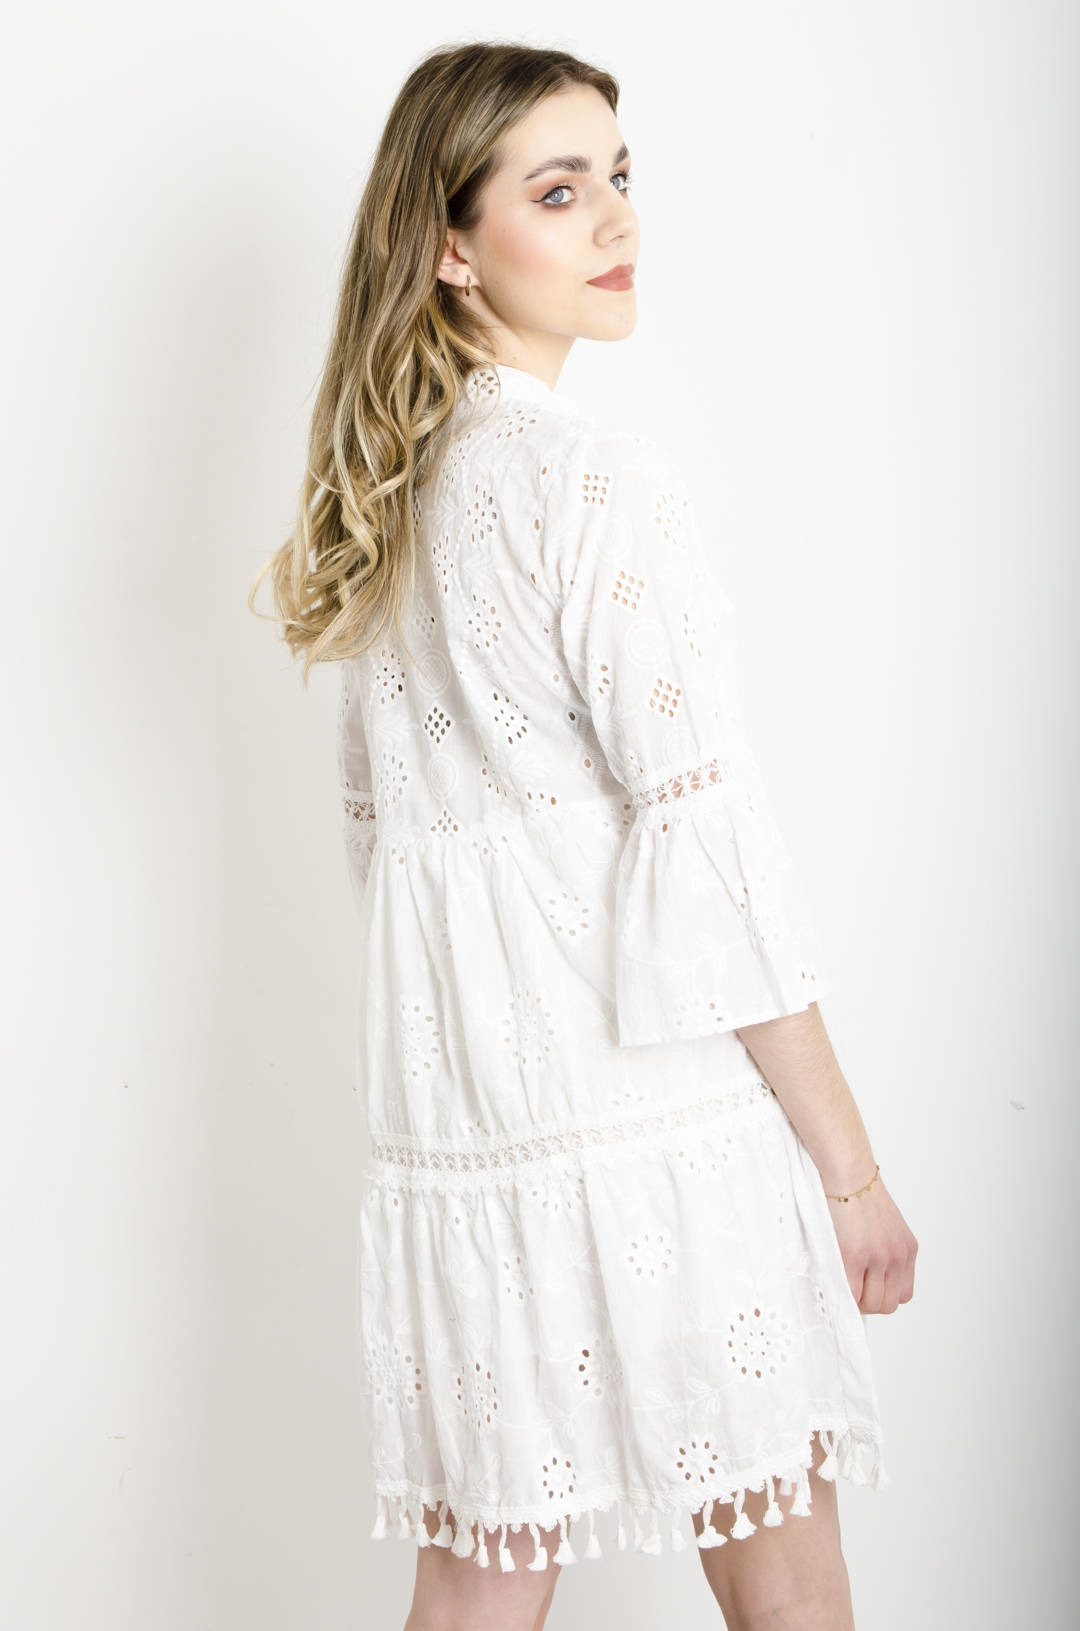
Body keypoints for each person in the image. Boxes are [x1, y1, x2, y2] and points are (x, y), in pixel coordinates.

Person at [250, 40, 918, 1631]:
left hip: (478, 1144)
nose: (617, 219)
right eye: (559, 191)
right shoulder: (594, 485)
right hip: (664, 1125)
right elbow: (710, 851)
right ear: (450, 246)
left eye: (620, 176)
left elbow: (386, 856)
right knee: (789, 1593)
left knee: (480, 1583)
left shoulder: (390, 518)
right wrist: (851, 1172)